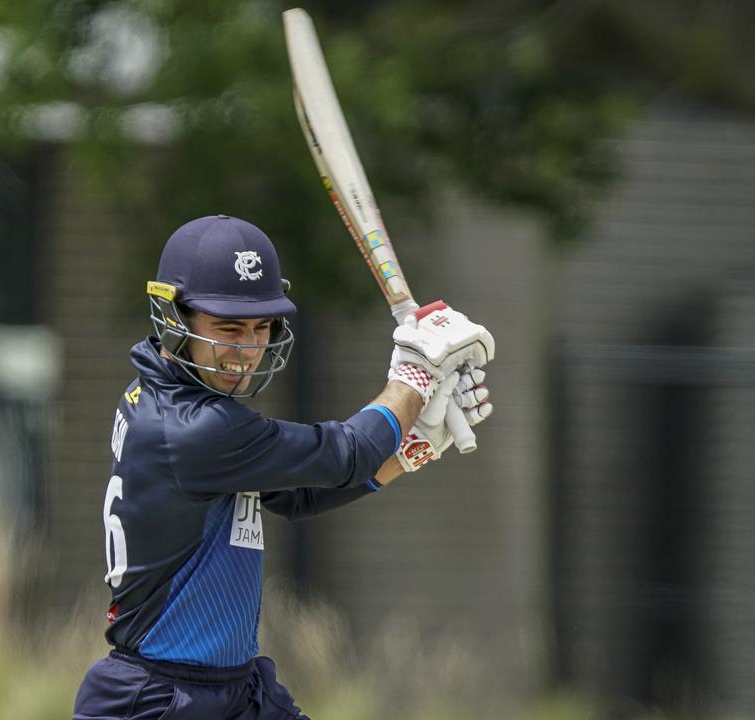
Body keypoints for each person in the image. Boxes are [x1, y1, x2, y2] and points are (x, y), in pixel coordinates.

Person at [72, 215, 494, 720]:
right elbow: (347, 453)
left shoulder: (177, 404)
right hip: (163, 701)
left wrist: (414, 445)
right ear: (173, 316)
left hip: (233, 690)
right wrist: (414, 374)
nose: (248, 350)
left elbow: (299, 495)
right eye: (228, 328)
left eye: (261, 327)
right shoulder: (193, 428)